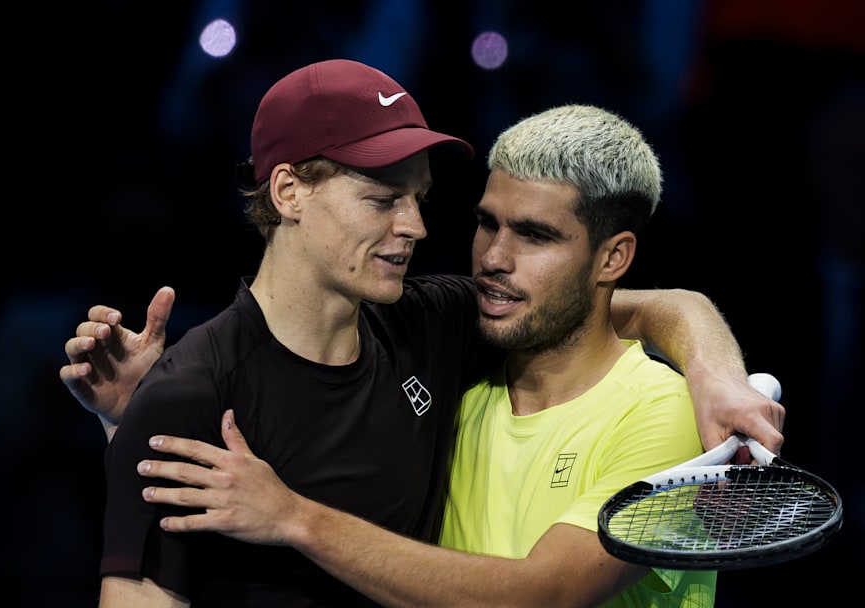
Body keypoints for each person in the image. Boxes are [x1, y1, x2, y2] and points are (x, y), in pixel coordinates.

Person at [60, 61, 784, 606]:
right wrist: (137, 425)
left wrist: (712, 369)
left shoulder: (433, 331)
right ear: (288, 193)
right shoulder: (188, 396)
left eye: (421, 199)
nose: (416, 227)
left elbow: (616, 305)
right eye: (383, 198)